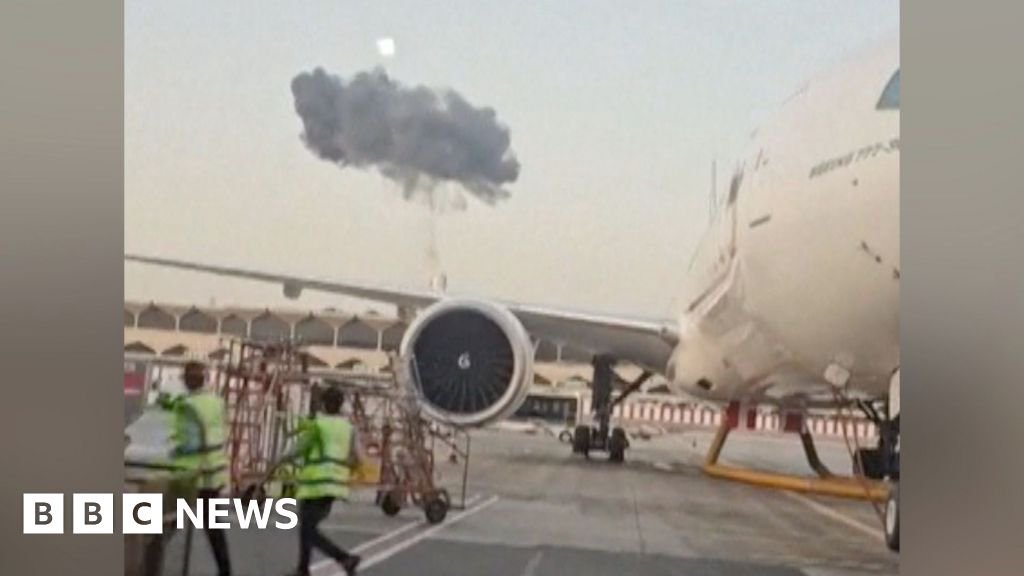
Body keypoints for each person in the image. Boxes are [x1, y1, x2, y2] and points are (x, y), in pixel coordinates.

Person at [271, 386, 362, 576]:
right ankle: (303, 568)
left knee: (308, 529)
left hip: (316, 484)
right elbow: (357, 458)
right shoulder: (348, 428)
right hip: (335, 484)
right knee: (307, 526)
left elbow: (299, 448)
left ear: (323, 404)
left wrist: (279, 460)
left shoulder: (318, 425)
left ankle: (343, 558)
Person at [159, 360, 232, 576]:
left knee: (163, 522)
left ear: (187, 381)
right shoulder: (216, 402)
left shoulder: (187, 406)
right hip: (213, 473)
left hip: (190, 474)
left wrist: (175, 451)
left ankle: (146, 565)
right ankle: (225, 570)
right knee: (213, 527)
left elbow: (191, 442)